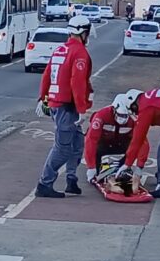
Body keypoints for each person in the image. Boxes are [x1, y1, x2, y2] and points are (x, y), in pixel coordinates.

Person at [35, 14, 94, 198]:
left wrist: (42, 97)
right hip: (67, 107)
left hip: (58, 104)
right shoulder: (80, 53)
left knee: (77, 144)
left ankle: (71, 179)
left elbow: (47, 74)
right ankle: (45, 183)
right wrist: (82, 109)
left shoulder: (60, 49)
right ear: (84, 33)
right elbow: (77, 82)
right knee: (62, 148)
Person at [84, 94, 150, 183]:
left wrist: (139, 167)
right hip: (103, 144)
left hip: (123, 144)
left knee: (136, 146)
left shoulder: (134, 119)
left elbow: (142, 142)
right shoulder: (101, 116)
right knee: (94, 149)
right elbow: (91, 140)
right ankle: (97, 169)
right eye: (120, 115)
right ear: (114, 109)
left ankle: (123, 167)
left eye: (125, 116)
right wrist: (91, 167)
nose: (122, 119)